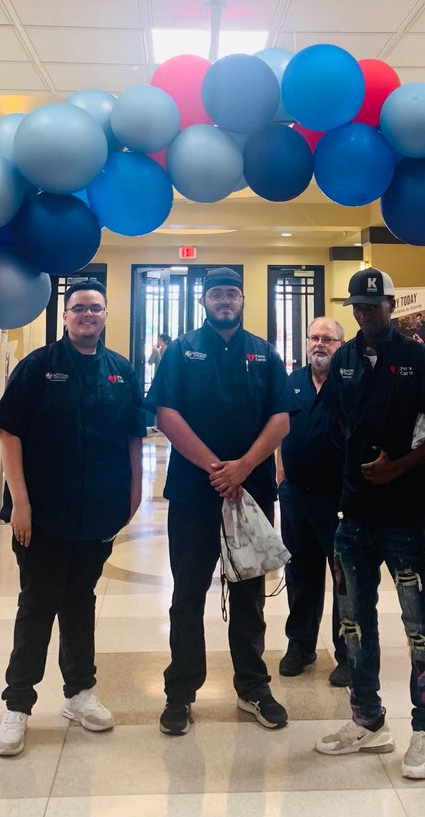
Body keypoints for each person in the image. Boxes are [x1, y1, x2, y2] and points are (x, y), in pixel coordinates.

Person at [0, 279, 147, 757]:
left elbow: (133, 439)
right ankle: (17, 705)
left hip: (97, 511)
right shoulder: (39, 367)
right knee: (37, 605)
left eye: (95, 308)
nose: (87, 315)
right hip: (40, 514)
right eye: (78, 308)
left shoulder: (121, 371)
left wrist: (133, 499)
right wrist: (21, 502)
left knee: (80, 603)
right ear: (65, 316)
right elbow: (9, 433)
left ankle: (79, 694)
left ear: (105, 315)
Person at [315, 267, 425, 781]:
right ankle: (368, 720)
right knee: (353, 618)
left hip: (404, 511)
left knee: (418, 619)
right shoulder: (345, 360)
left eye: (373, 306)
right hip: (353, 514)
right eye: (357, 305)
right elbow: (331, 423)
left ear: (392, 307)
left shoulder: (419, 359)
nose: (363, 313)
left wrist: (399, 466)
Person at [146, 267, 294, 736]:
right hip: (195, 494)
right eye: (216, 294)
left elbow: (282, 418)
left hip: (250, 494)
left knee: (250, 593)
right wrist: (218, 469)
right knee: (187, 594)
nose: (224, 301)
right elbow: (166, 415)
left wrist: (244, 468)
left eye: (231, 293)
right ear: (204, 301)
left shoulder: (265, 353)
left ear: (242, 299)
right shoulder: (181, 352)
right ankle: (180, 693)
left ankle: (253, 687)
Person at [276, 315, 350, 687]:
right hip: (295, 498)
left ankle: (348, 653)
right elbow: (277, 427)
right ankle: (300, 645)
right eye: (314, 338)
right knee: (300, 574)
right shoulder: (292, 384)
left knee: (344, 578)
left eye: (328, 339)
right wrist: (280, 470)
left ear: (340, 344)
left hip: (337, 499)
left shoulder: (350, 384)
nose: (320, 344)